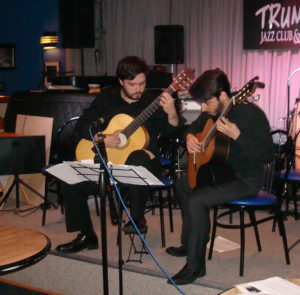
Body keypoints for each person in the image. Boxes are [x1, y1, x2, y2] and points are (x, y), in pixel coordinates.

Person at [55, 56, 181, 253]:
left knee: (137, 158)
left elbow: (172, 133)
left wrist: (172, 112)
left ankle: (137, 219)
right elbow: (82, 126)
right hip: (110, 162)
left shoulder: (153, 102)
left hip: (146, 163)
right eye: (132, 84)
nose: (139, 89)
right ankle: (86, 235)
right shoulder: (107, 98)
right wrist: (101, 137)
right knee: (71, 179)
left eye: (142, 83)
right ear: (121, 81)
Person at [165, 68, 274, 285]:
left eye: (206, 102)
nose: (203, 108)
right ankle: (190, 242)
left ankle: (195, 267)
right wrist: (189, 138)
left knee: (197, 199)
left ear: (223, 96)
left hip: (246, 179)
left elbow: (267, 155)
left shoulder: (250, 114)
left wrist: (238, 136)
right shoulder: (212, 111)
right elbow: (188, 129)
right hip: (220, 171)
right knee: (182, 184)